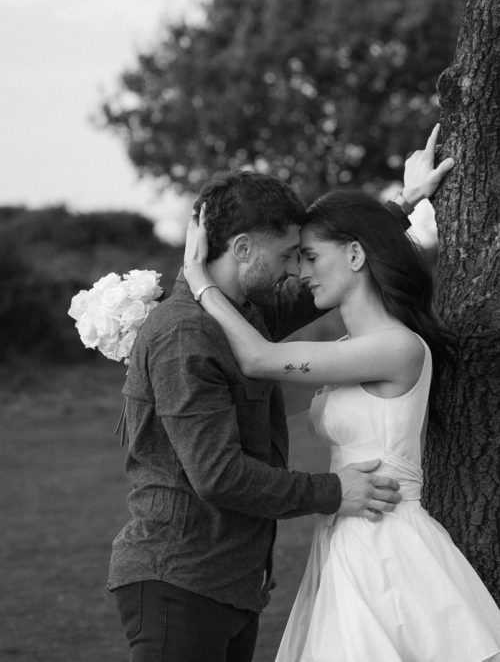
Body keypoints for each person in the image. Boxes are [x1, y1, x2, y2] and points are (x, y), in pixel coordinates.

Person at [108, 127, 452, 662]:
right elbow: (218, 475)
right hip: (180, 577)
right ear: (243, 247)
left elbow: (341, 269)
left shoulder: (250, 312)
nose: (297, 268)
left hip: (231, 583)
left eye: (303, 255)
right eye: (290, 253)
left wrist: (404, 203)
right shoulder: (185, 333)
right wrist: (332, 491)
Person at [183, 187, 500, 660]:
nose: (300, 272)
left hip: (387, 542)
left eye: (310, 256)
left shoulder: (397, 347)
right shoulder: (351, 350)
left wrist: (198, 281)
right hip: (344, 534)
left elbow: (258, 358)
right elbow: (250, 392)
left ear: (355, 254)